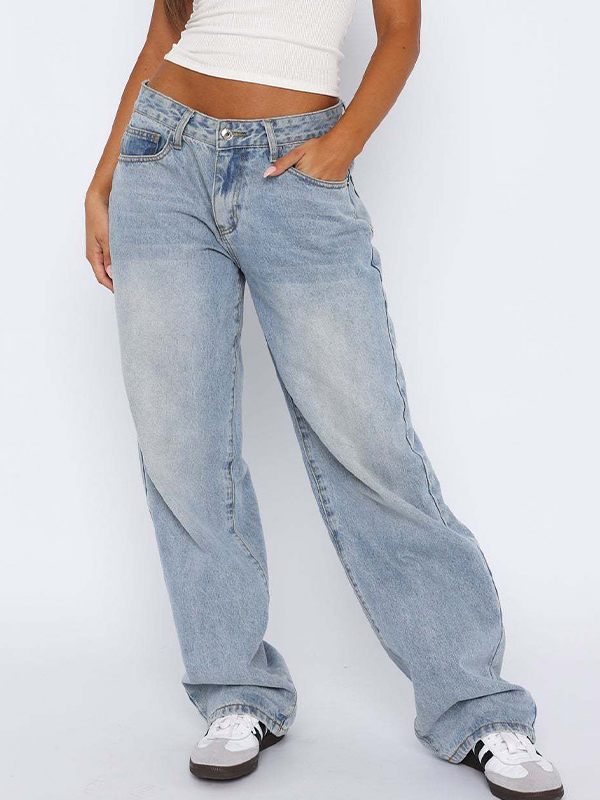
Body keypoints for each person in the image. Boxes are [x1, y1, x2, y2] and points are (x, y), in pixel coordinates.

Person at [85, 1, 563, 797]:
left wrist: (344, 143)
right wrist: (104, 179)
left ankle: (477, 705)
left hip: (296, 168)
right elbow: (165, 32)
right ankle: (236, 693)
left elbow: (401, 34)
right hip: (160, 161)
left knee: (370, 444)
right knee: (180, 447)